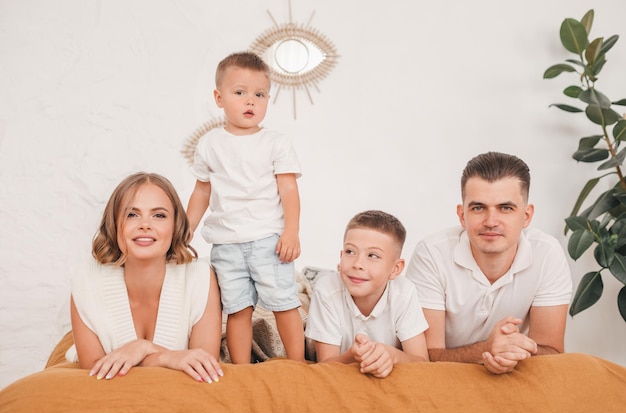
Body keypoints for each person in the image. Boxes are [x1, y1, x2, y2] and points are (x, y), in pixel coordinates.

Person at [405, 151, 573, 374]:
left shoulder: (547, 254)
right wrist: (486, 350)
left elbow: (552, 351)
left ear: (526, 215)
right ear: (462, 215)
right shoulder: (431, 254)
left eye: (506, 208)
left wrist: (511, 352)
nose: (491, 221)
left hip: (511, 374)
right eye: (478, 208)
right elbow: (425, 357)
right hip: (443, 377)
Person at [186, 51, 304, 363]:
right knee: (237, 309)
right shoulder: (210, 144)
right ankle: (242, 370)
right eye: (240, 93)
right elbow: (202, 190)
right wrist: (186, 227)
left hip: (269, 240)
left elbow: (289, 189)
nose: (250, 101)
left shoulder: (275, 142)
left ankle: (298, 361)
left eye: (259, 94)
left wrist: (291, 231)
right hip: (226, 244)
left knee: (285, 303)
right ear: (219, 97)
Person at [67, 172, 223, 383]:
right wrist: (164, 356)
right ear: (114, 224)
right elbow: (95, 366)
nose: (145, 225)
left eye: (159, 215)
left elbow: (203, 363)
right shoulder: (86, 278)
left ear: (175, 225)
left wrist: (141, 349)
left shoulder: (199, 276)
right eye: (132, 214)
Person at [305, 210, 429, 378]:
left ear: (395, 269)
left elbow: (422, 361)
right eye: (350, 252)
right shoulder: (326, 290)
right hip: (327, 287)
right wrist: (352, 355)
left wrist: (393, 355)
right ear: (341, 256)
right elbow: (326, 364)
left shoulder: (404, 293)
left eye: (372, 255)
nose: (358, 264)